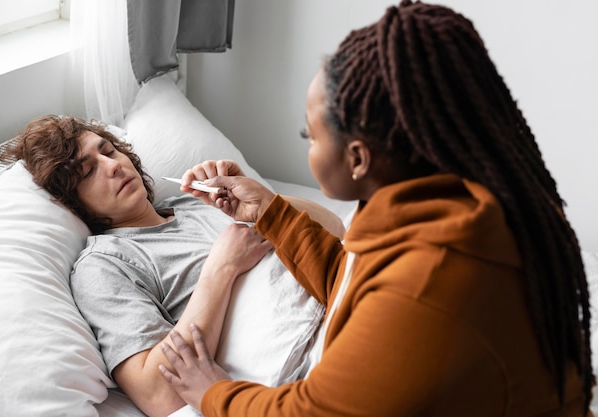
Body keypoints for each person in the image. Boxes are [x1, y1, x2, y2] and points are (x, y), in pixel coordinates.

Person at [157, 1, 594, 416]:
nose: (307, 145)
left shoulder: (429, 281)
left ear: (359, 158)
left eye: (308, 135)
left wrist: (212, 391)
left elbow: (311, 411)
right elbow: (352, 283)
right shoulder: (441, 203)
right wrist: (268, 212)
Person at [0, 115, 345, 417]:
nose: (113, 166)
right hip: (316, 359)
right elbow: (157, 393)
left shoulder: (196, 202)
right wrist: (221, 268)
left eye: (108, 151)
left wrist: (264, 203)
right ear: (76, 203)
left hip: (345, 295)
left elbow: (334, 229)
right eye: (89, 172)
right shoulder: (104, 264)